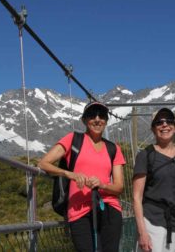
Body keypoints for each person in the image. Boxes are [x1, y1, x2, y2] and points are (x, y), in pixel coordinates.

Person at [38, 101, 125, 252]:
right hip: (79, 210)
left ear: (106, 120)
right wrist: (68, 174)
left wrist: (102, 185)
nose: (97, 119)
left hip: (108, 206)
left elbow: (119, 187)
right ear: (84, 120)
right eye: (92, 115)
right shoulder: (73, 140)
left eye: (102, 115)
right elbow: (43, 163)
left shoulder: (113, 149)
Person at [133, 108, 175, 252]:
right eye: (159, 122)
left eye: (169, 121)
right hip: (154, 225)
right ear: (153, 129)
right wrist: (142, 232)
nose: (164, 125)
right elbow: (136, 197)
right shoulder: (145, 155)